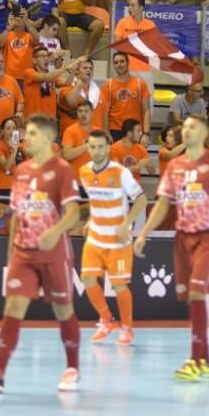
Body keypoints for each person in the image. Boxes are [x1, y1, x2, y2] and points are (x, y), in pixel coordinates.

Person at [0, 115, 81, 394]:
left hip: (54, 253)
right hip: (23, 252)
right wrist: (10, 251)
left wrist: (55, 232)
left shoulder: (62, 170)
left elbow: (74, 213)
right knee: (12, 310)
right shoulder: (21, 171)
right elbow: (16, 214)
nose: (24, 137)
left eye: (30, 133)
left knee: (63, 310)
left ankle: (72, 369)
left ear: (46, 138)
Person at [134, 115, 209, 380]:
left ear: (206, 132)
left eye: (193, 126)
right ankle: (206, 361)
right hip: (182, 238)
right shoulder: (175, 165)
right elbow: (162, 204)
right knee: (189, 297)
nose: (187, 130)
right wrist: (143, 234)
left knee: (196, 294)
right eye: (184, 126)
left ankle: (195, 360)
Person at [78, 130, 147, 345]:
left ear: (108, 148)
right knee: (87, 279)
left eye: (100, 147)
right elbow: (96, 199)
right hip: (96, 238)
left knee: (119, 286)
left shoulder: (120, 172)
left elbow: (142, 200)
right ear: (88, 149)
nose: (96, 151)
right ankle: (106, 320)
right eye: (92, 147)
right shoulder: (84, 172)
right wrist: (91, 219)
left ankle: (127, 329)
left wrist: (127, 223)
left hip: (118, 241)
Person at [101, 52, 151, 141]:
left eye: (122, 61)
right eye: (116, 63)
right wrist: (106, 132)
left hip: (135, 130)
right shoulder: (108, 85)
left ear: (128, 63)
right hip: (115, 130)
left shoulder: (140, 84)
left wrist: (146, 133)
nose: (119, 64)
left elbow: (146, 110)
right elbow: (105, 112)